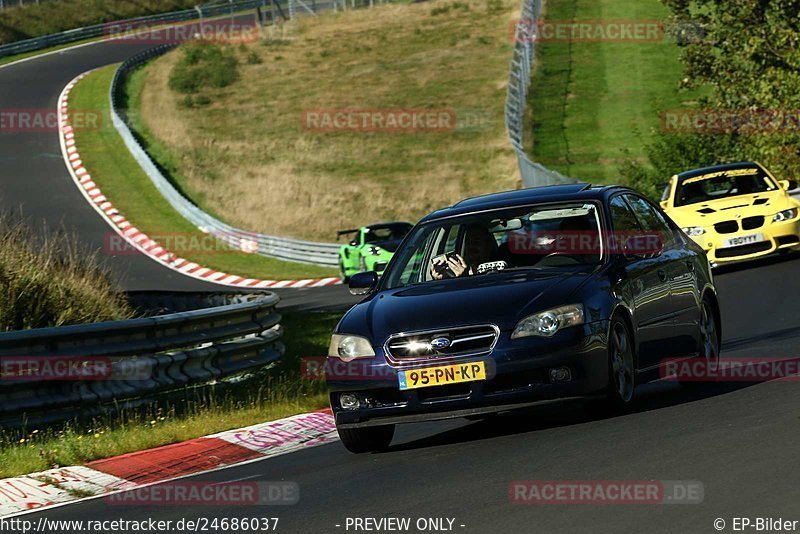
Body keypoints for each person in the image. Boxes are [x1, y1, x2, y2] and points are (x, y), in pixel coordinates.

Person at [429, 224, 498, 279]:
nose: (471, 247)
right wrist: (441, 281)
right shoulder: (454, 271)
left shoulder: (503, 271)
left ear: (489, 244)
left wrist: (464, 279)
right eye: (468, 243)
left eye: (476, 242)